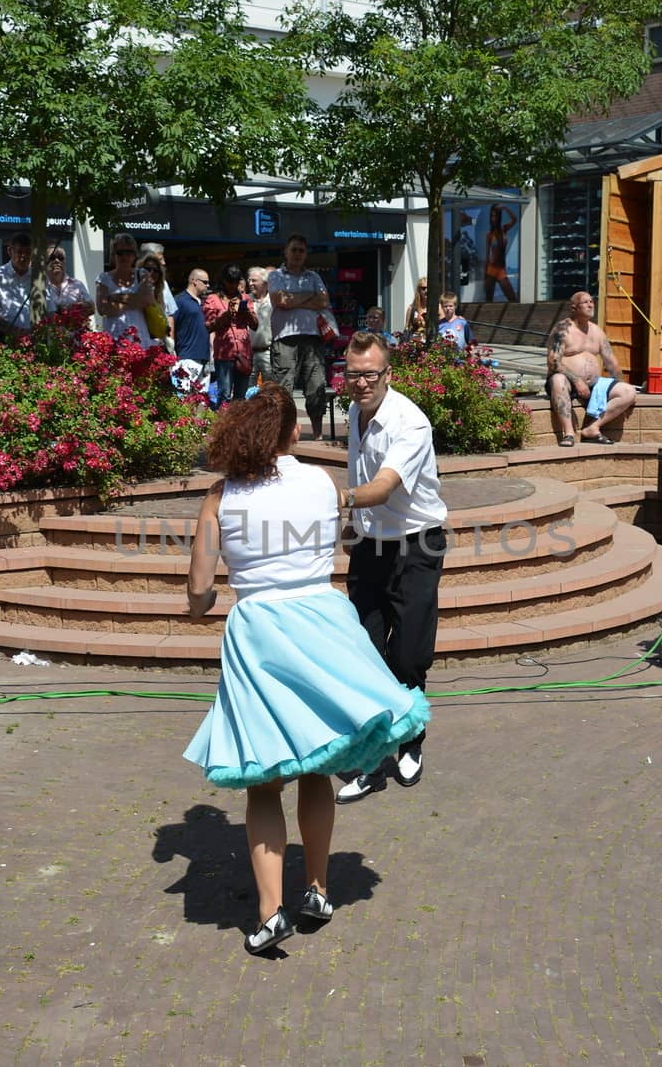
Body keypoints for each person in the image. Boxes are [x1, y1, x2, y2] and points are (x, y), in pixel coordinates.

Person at [182, 386, 430, 955]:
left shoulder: (220, 497)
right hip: (322, 621)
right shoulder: (323, 482)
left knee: (265, 783)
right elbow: (335, 539)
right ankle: (317, 888)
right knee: (318, 766)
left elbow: (199, 589)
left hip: (261, 632)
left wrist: (202, 604)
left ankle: (270, 914)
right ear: (294, 434)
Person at [333, 331, 448, 805]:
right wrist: (352, 523)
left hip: (416, 546)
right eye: (353, 374)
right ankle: (373, 758)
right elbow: (362, 480)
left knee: (408, 655)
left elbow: (382, 486)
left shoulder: (410, 423)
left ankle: (411, 741)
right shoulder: (358, 414)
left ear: (388, 374)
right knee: (365, 651)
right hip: (370, 545)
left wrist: (335, 499)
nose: (360, 383)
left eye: (370, 374)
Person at [545, 291, 636, 446]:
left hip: (594, 384)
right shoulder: (562, 329)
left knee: (628, 392)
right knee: (557, 379)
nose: (590, 305)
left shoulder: (597, 331)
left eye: (592, 301)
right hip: (568, 382)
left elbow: (611, 362)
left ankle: (592, 428)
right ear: (574, 308)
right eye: (585, 302)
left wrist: (622, 383)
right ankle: (568, 433)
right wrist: (577, 380)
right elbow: (553, 362)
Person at [267, 233, 331, 440]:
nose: (297, 254)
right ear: (286, 252)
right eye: (293, 249)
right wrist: (308, 298)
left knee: (316, 385)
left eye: (301, 250)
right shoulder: (276, 276)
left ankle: (318, 435)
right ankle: (285, 435)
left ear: (306, 254)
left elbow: (323, 301)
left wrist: (294, 299)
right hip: (285, 339)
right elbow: (280, 300)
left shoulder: (314, 277)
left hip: (312, 338)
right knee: (284, 388)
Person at [95, 232, 159, 347]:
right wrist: (136, 300)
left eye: (129, 252)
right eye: (120, 253)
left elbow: (147, 301)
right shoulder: (103, 278)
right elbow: (103, 309)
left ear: (135, 255)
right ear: (113, 255)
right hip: (114, 340)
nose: (125, 256)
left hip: (140, 341)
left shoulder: (142, 274)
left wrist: (116, 299)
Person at [204, 265, 255, 407]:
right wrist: (225, 316)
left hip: (244, 354)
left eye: (236, 282)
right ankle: (222, 426)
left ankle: (237, 427)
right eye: (230, 282)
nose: (233, 286)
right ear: (223, 280)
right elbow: (209, 326)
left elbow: (255, 325)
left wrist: (247, 313)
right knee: (225, 394)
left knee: (240, 396)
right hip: (224, 354)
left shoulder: (244, 298)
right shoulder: (212, 299)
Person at [0, 232, 36, 336]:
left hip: (34, 338)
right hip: (5, 337)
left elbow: (49, 313)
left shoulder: (39, 277)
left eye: (27, 252)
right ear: (10, 251)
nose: (23, 257)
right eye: (19, 252)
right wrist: (14, 331)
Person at [174, 267, 212, 368]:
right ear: (194, 281)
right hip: (187, 358)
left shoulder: (205, 302)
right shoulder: (179, 300)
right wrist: (172, 353)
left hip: (205, 358)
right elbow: (171, 325)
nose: (208, 285)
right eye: (205, 282)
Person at [44, 244, 92, 318]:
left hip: (74, 329)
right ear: (45, 262)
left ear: (64, 261)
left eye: (60, 258)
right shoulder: (40, 286)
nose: (57, 261)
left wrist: (74, 307)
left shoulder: (77, 284)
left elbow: (92, 308)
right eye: (52, 258)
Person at [483, 204, 518, 302]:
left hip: (501, 269)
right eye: (492, 216)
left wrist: (506, 208)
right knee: (488, 300)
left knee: (513, 299)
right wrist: (485, 275)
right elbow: (487, 256)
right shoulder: (489, 235)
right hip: (491, 269)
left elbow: (515, 219)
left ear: (499, 217)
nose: (493, 218)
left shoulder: (504, 229)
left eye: (496, 216)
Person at [247, 266, 273, 383]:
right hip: (249, 353)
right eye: (249, 280)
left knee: (270, 388)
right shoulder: (245, 300)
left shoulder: (273, 301)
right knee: (248, 390)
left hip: (268, 352)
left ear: (265, 283)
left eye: (254, 280)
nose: (250, 283)